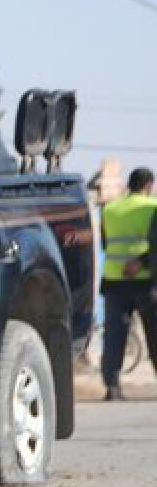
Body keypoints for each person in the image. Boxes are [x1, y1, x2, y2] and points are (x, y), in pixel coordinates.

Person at [99, 167, 157, 401]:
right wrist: (141, 261)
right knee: (154, 335)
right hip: (145, 282)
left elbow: (105, 245)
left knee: (114, 336)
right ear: (148, 185)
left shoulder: (109, 209)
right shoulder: (152, 208)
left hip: (114, 281)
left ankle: (112, 387)